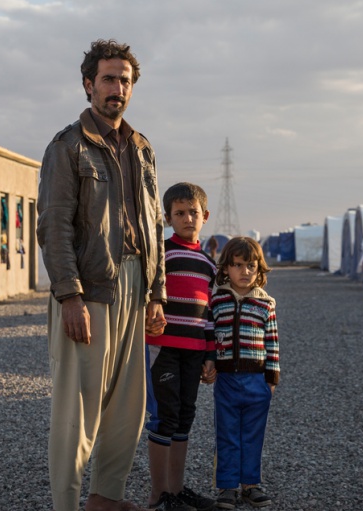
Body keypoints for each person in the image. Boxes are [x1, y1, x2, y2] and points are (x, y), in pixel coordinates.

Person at [37, 38, 167, 511]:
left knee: (126, 411)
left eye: (125, 81)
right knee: (77, 411)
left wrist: (157, 293)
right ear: (89, 84)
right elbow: (53, 227)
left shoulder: (142, 148)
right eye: (109, 79)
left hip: (136, 287)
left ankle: (105, 499)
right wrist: (69, 296)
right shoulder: (67, 147)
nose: (118, 88)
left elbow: (154, 223)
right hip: (90, 289)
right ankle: (67, 505)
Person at [144, 183, 218, 511]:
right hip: (163, 347)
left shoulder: (209, 264)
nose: (187, 218)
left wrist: (211, 355)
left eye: (193, 212)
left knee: (185, 416)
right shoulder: (161, 254)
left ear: (205, 215)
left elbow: (212, 313)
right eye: (179, 213)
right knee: (164, 416)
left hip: (194, 349)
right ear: (168, 217)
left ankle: (177, 490)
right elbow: (146, 293)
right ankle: (159, 494)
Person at [209, 237, 279, 509]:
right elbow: (210, 335)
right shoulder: (218, 301)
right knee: (226, 433)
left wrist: (271, 378)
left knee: (253, 434)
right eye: (238, 265)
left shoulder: (266, 304)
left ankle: (250, 484)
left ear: (259, 269)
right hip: (226, 380)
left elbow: (272, 341)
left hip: (256, 380)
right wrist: (210, 362)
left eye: (251, 265)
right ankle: (227, 486)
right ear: (226, 268)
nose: (245, 271)